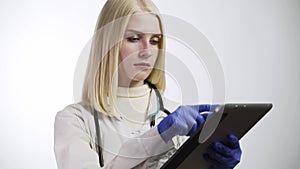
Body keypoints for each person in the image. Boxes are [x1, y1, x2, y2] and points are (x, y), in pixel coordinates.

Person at [54, 0, 242, 168]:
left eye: (154, 41)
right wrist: (158, 136)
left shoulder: (178, 118)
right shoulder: (74, 120)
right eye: (134, 39)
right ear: (108, 43)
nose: (147, 51)